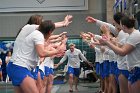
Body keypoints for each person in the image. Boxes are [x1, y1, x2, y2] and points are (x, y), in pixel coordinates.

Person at [7, 20, 66, 93]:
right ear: (50, 32)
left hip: (16, 66)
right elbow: (41, 53)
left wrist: (63, 23)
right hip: (20, 67)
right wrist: (57, 51)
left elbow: (50, 26)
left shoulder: (32, 31)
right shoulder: (38, 35)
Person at [85, 12, 130, 93]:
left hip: (125, 66)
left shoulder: (124, 34)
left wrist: (107, 35)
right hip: (122, 65)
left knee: (113, 83)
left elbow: (119, 51)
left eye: (115, 24)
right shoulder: (123, 33)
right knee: (110, 81)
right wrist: (96, 21)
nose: (114, 26)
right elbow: (110, 29)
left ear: (119, 23)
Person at [99, 15, 140, 93]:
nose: (117, 27)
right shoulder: (130, 35)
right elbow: (120, 46)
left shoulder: (135, 35)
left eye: (118, 25)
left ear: (123, 26)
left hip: (136, 68)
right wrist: (113, 42)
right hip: (131, 68)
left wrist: (107, 41)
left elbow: (122, 52)